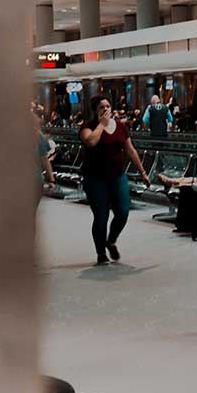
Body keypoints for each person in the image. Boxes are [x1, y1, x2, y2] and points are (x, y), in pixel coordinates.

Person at [80, 95, 150, 265]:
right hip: (95, 179)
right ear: (95, 111)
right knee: (101, 216)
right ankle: (101, 252)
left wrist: (143, 172)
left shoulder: (120, 127)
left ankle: (111, 240)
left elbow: (130, 150)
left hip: (117, 177)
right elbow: (91, 142)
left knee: (123, 212)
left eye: (108, 106)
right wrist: (101, 126)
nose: (105, 110)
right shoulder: (87, 127)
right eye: (101, 107)